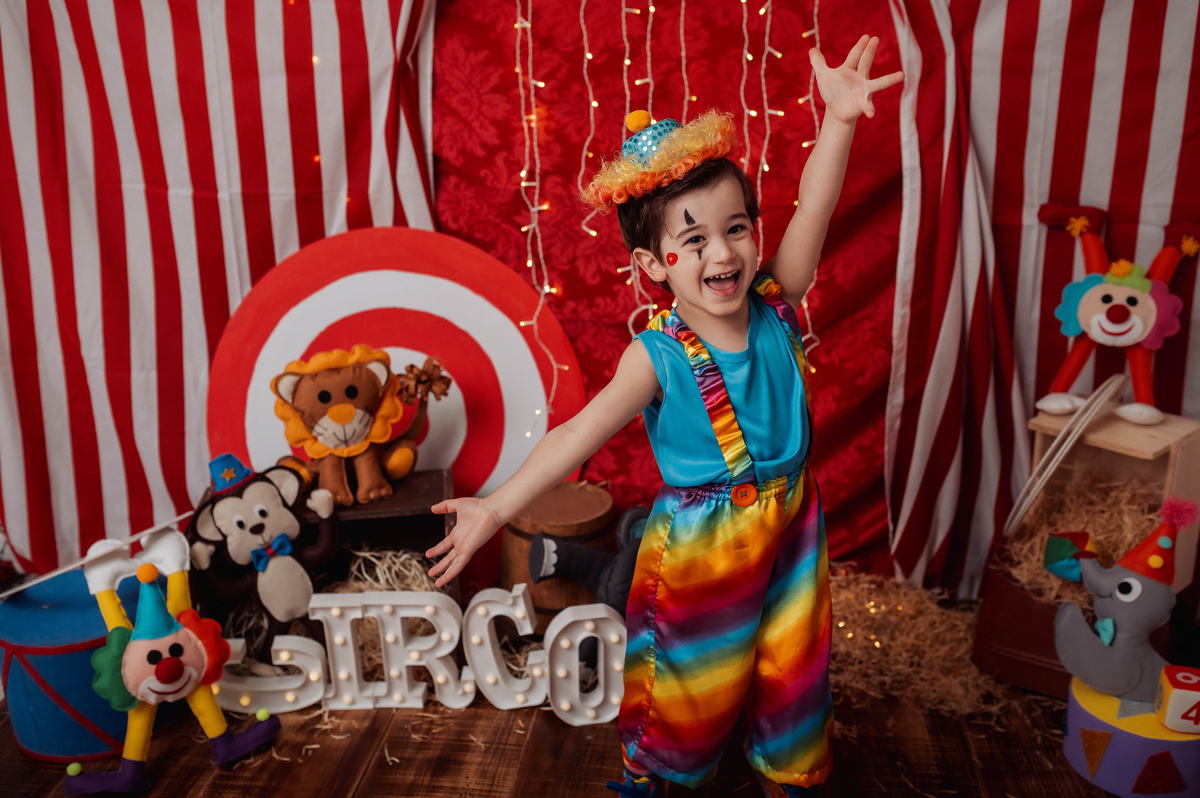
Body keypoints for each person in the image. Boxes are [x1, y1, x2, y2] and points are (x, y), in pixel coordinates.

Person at [427, 35, 902, 797]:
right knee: (691, 674)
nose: (723, 253)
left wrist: (839, 120)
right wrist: (495, 508)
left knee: (794, 659)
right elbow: (577, 434)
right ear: (653, 265)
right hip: (704, 542)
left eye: (736, 228)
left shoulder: (778, 301)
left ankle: (788, 767)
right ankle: (660, 773)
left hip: (792, 516)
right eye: (693, 239)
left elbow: (815, 203)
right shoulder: (657, 357)